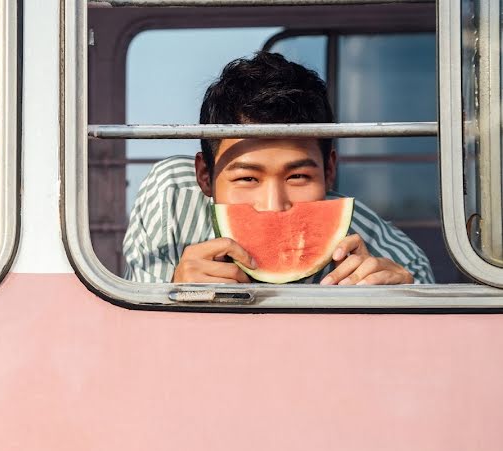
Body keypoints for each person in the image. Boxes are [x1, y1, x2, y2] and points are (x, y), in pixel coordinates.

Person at [122, 52, 435, 285]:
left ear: (329, 171)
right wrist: (168, 297)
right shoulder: (172, 198)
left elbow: (418, 272)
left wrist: (406, 299)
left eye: (298, 176)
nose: (274, 206)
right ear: (205, 176)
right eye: (247, 178)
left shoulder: (362, 235)